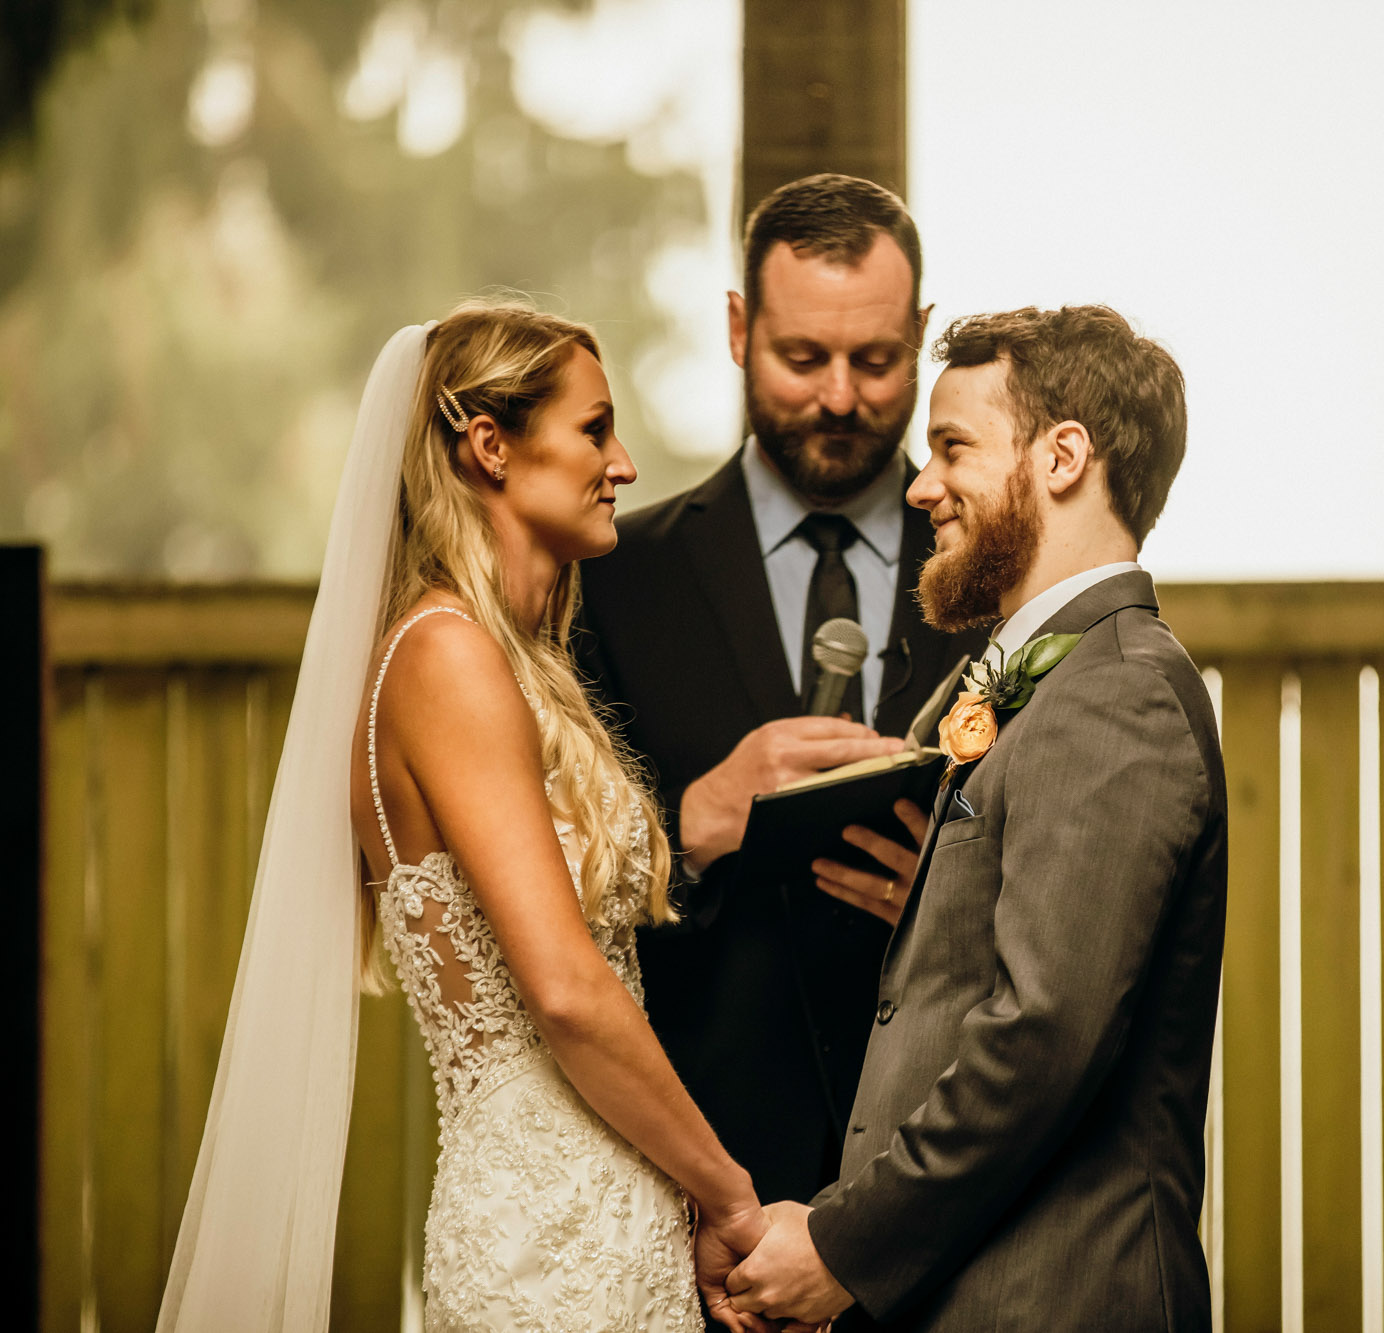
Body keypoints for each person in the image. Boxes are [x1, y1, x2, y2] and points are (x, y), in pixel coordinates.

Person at [158, 302, 767, 1333]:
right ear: (489, 446)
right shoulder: (443, 657)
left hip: (613, 1222)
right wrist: (730, 1191)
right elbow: (568, 991)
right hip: (542, 1244)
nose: (622, 463)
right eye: (593, 429)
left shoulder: (521, 665)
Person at [725, 305, 1228, 1331]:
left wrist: (840, 1246)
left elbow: (1040, 1036)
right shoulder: (1048, 684)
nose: (918, 487)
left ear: (1063, 456)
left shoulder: (1115, 694)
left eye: (951, 447)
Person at [573, 175, 987, 1215]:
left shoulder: (1000, 580)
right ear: (736, 327)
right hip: (696, 1197)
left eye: (877, 360)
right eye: (802, 358)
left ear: (921, 332)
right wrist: (688, 825)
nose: (839, 397)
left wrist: (957, 912)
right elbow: (547, 899)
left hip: (948, 1202)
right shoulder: (618, 580)